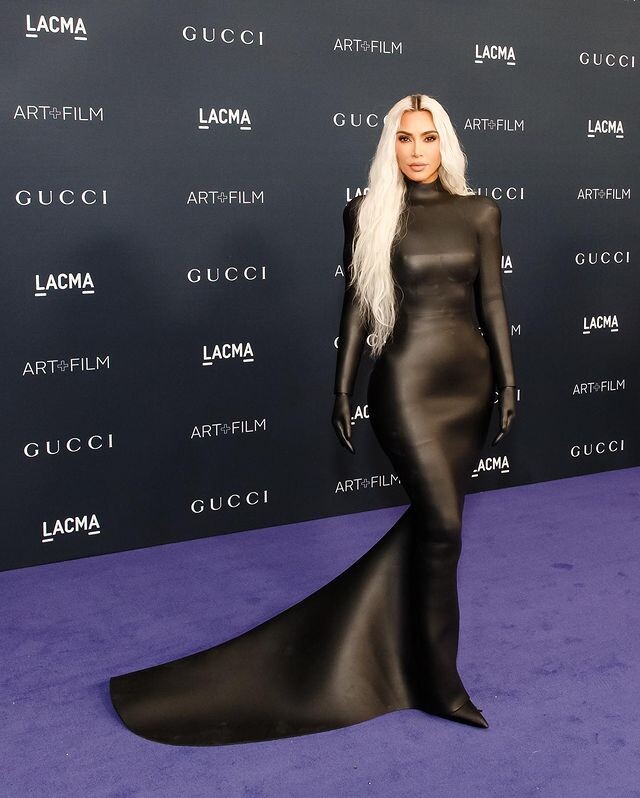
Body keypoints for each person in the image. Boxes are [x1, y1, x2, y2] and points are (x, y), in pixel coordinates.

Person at [108, 93, 516, 745]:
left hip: (468, 387)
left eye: (428, 137)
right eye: (405, 138)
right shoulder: (368, 212)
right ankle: (441, 684)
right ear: (390, 145)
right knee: (442, 527)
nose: (416, 150)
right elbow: (356, 305)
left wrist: (508, 378)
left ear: (446, 143)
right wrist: (342, 387)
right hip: (407, 386)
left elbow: (492, 300)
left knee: (434, 531)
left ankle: (400, 657)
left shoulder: (480, 212)